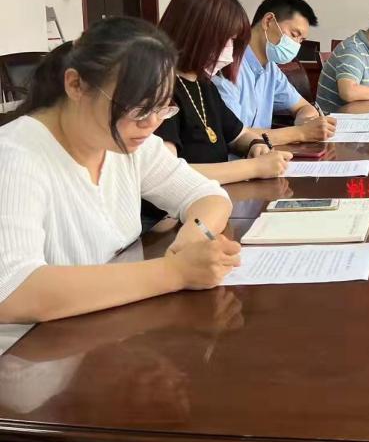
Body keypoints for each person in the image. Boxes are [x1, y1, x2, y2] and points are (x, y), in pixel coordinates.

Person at [0, 17, 239, 336]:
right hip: (33, 350)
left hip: (106, 332)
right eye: (137, 108)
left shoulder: (128, 143)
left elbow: (208, 196)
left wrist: (192, 239)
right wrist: (175, 272)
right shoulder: (15, 157)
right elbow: (14, 290)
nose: (151, 123)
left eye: (162, 108)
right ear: (76, 85)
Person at [155, 0, 292, 184]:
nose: (229, 52)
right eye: (225, 40)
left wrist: (256, 146)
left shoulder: (204, 84)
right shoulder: (159, 89)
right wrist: (254, 167)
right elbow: (167, 174)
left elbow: (238, 135)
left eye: (233, 41)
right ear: (194, 33)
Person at [212, 0, 336, 144]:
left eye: (301, 40)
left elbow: (304, 107)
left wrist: (307, 122)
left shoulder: (270, 69)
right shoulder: (226, 65)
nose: (296, 45)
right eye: (294, 34)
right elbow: (233, 135)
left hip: (265, 154)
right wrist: (300, 133)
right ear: (268, 21)